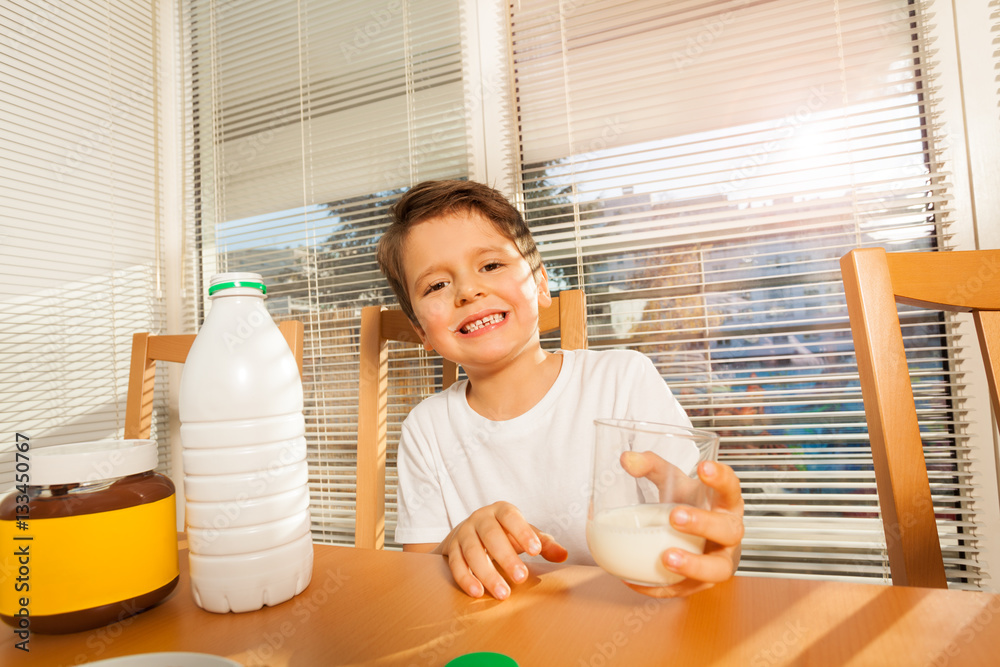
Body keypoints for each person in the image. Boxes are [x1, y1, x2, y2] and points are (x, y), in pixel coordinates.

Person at [375, 180, 744, 601]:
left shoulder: (623, 380)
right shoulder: (426, 428)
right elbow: (421, 577)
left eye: (491, 265)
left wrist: (715, 542)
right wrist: (454, 545)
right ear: (422, 331)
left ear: (541, 284)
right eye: (436, 285)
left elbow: (698, 523)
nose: (469, 291)